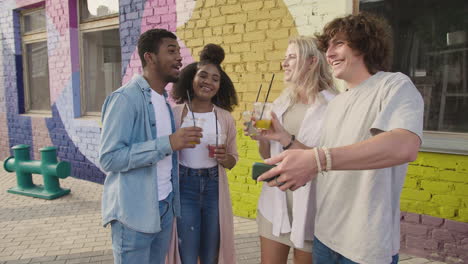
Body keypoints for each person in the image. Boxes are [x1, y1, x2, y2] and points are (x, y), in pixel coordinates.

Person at [259, 12, 424, 264]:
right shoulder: (337, 103)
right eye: (328, 47)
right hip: (325, 237)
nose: (330, 54)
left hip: (365, 246)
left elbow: (404, 146)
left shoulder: (394, 86)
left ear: (364, 44)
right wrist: (283, 138)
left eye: (339, 44)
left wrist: (317, 158)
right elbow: (322, 159)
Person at [99, 28, 203, 264]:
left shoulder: (164, 102)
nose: (179, 57)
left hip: (164, 207)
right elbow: (109, 158)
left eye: (179, 51)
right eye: (171, 51)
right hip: (134, 213)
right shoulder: (125, 99)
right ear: (149, 57)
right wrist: (168, 143)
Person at [245, 36, 338, 264]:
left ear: (312, 62)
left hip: (312, 211)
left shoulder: (334, 106)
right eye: (284, 58)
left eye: (292, 57)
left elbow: (330, 161)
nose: (284, 63)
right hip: (275, 204)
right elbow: (269, 156)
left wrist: (285, 137)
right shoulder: (281, 103)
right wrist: (261, 138)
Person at [171, 43, 239, 264]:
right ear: (191, 78)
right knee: (187, 254)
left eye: (215, 79)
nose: (208, 82)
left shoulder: (225, 118)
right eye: (203, 75)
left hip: (213, 187)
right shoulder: (176, 114)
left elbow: (232, 161)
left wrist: (224, 157)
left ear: (220, 86)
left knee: (211, 254)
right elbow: (164, 151)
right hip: (184, 185)